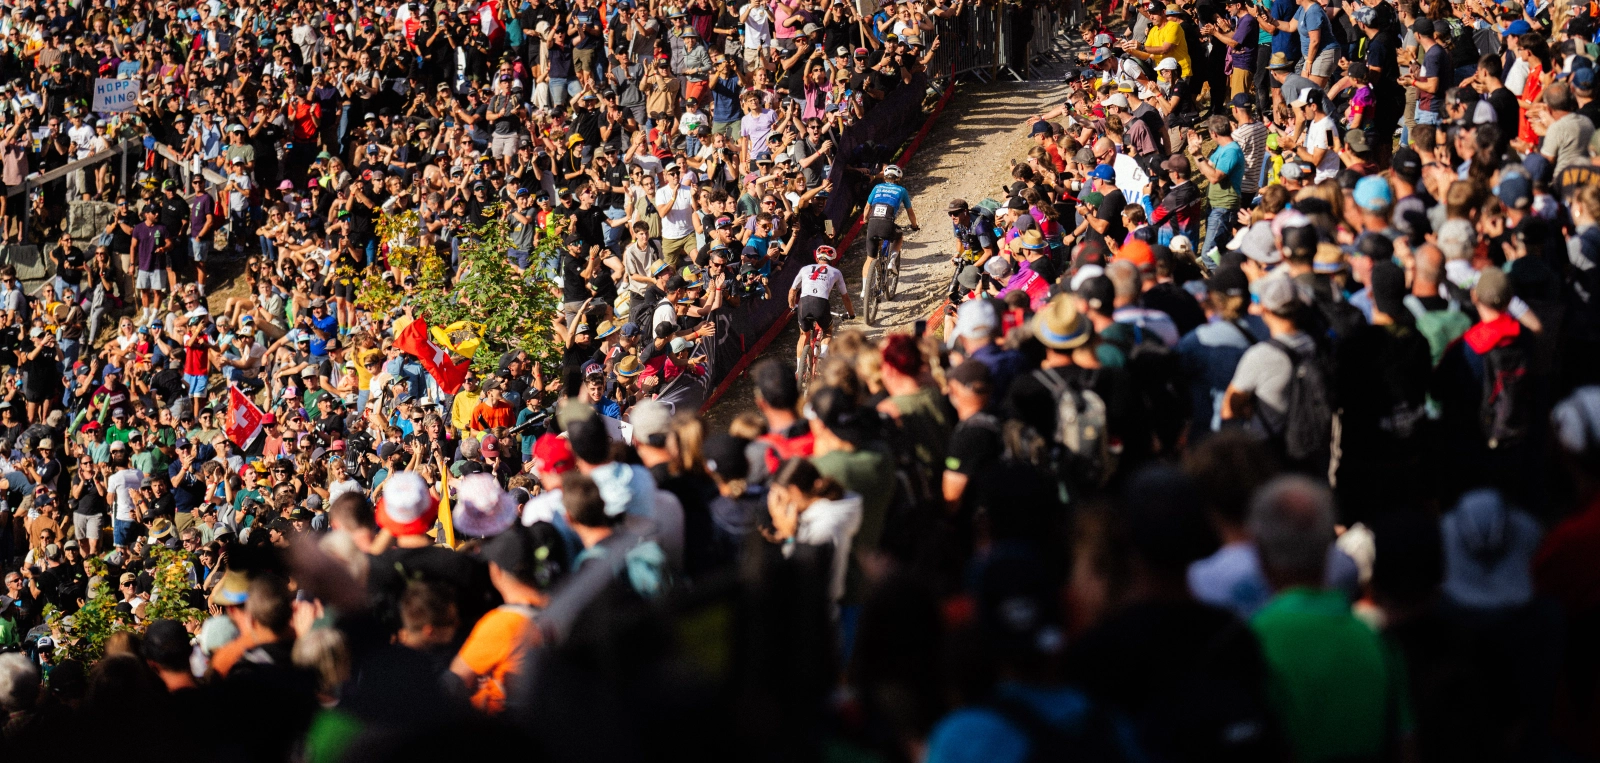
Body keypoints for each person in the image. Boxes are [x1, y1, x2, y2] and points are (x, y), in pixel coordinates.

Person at [860, 164, 920, 305]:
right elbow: (910, 211)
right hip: (887, 223)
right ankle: (892, 260)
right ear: (898, 178)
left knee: (870, 258)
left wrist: (865, 219)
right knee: (899, 236)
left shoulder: (877, 188)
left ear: (885, 177)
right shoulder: (902, 190)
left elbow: (867, 207)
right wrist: (914, 225)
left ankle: (864, 290)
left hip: (873, 223)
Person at [789, 244, 855, 370]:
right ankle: (824, 353)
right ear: (832, 259)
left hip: (804, 302)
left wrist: (793, 306)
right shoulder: (836, 272)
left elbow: (792, 291)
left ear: (817, 258)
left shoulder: (805, 269)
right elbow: (845, 297)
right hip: (821, 303)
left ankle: (799, 369)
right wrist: (851, 314)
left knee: (803, 335)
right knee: (828, 331)